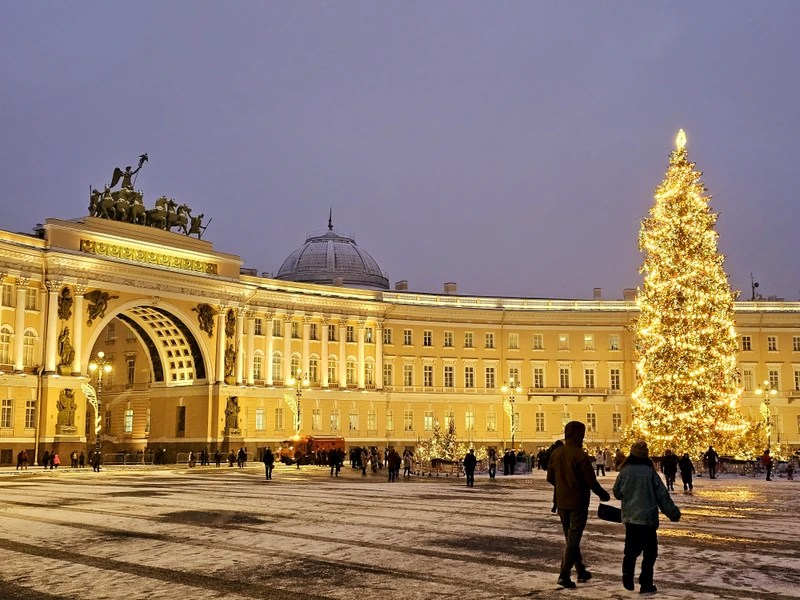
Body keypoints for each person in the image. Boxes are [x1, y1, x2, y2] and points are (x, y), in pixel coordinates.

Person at [547, 421, 611, 589]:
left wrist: (562, 486)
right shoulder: (579, 455)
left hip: (562, 502)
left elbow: (550, 477)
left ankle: (581, 570)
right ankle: (564, 574)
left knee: (571, 539)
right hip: (578, 502)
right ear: (577, 435)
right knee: (573, 540)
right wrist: (603, 495)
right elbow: (591, 481)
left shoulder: (556, 453)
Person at [613, 440, 681, 594]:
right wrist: (673, 513)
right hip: (648, 519)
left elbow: (617, 493)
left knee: (631, 550)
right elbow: (662, 495)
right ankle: (646, 583)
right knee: (650, 553)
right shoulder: (650, 473)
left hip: (630, 518)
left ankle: (627, 575)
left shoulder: (625, 471)